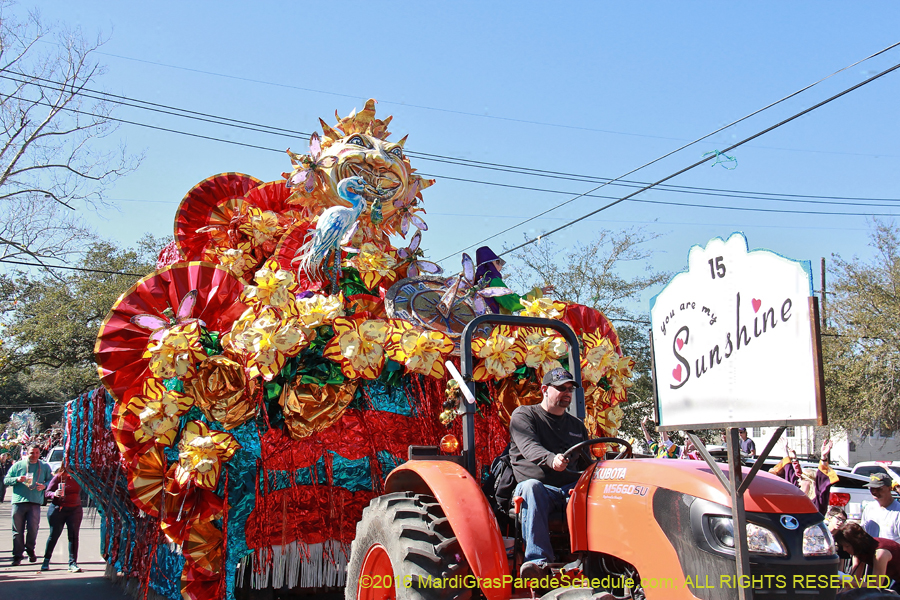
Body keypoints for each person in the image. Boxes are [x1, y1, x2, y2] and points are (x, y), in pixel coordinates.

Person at [509, 367, 589, 579]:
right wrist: (551, 459)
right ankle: (537, 562)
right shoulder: (525, 415)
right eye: (561, 388)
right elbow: (529, 447)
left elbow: (586, 462)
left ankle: (597, 557)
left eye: (570, 389)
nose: (567, 393)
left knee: (595, 490)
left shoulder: (576, 426)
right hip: (538, 491)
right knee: (532, 486)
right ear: (545, 389)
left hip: (568, 490)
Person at [3, 443, 53, 565]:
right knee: (17, 530)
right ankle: (17, 555)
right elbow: (6, 480)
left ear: (39, 453)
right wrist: (16, 479)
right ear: (27, 453)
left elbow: (52, 480)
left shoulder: (44, 466)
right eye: (32, 453)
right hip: (19, 502)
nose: (34, 455)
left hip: (35, 502)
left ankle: (30, 549)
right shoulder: (18, 465)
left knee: (33, 528)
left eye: (36, 453)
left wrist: (45, 486)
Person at [474, 246, 553, 314]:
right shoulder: (492, 280)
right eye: (497, 263)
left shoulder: (478, 284)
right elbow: (512, 303)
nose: (500, 267)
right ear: (489, 265)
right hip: (496, 327)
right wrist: (537, 293)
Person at [769, 440, 839, 514]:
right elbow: (790, 476)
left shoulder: (818, 502)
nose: (799, 481)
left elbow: (822, 484)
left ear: (812, 482)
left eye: (802, 479)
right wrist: (785, 453)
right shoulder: (796, 496)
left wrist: (823, 457)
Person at [834, 522, 900, 593]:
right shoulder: (861, 549)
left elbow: (876, 585)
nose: (844, 549)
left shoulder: (880, 554)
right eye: (842, 546)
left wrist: (846, 582)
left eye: (847, 546)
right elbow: (855, 580)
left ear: (856, 543)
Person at [42, 467, 84, 573]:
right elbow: (47, 492)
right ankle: (46, 561)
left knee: (73, 537)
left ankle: (72, 563)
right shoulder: (59, 477)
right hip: (58, 509)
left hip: (75, 509)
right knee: (54, 535)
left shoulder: (81, 477)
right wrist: (54, 494)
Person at [860, 473, 900, 543]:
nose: (874, 491)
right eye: (872, 488)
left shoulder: (897, 511)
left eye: (879, 488)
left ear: (889, 488)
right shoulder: (869, 508)